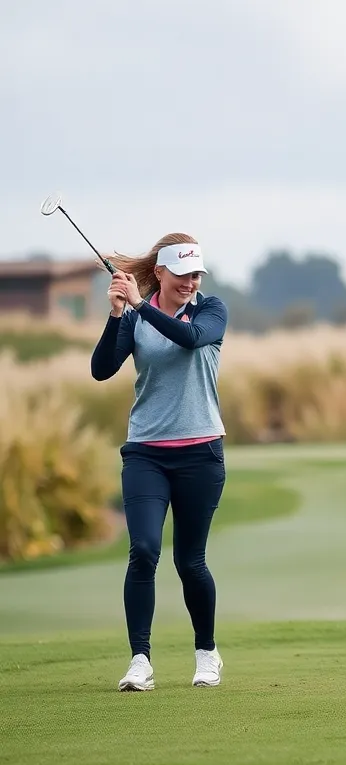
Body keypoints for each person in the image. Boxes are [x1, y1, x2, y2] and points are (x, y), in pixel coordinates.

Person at [89, 233, 229, 692]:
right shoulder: (134, 318)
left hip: (201, 454)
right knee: (144, 550)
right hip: (146, 452)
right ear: (162, 273)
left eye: (196, 275)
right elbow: (102, 369)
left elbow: (189, 339)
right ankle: (140, 661)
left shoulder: (212, 311)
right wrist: (117, 316)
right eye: (183, 274)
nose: (191, 282)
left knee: (190, 562)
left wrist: (139, 306)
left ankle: (207, 653)